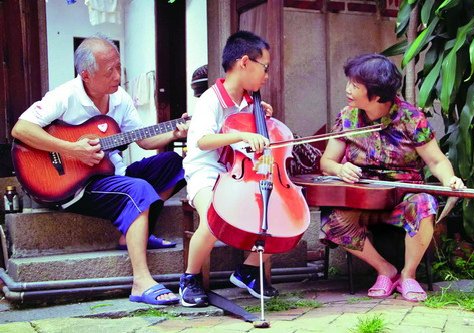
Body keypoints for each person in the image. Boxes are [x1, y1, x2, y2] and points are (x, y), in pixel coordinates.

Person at [11, 34, 187, 305]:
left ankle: (132, 232)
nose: (118, 76)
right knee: (138, 189)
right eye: (110, 71)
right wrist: (71, 149)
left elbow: (144, 140)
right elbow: (21, 130)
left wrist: (174, 131)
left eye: (119, 67)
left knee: (176, 164)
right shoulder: (65, 95)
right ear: (86, 74)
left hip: (111, 174)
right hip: (73, 186)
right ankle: (141, 281)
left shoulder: (120, 98)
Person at [319, 53, 465, 302]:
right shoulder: (348, 116)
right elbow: (327, 161)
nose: (348, 90)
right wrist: (340, 170)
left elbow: (436, 161)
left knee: (423, 204)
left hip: (403, 196)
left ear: (376, 94)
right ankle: (385, 269)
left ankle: (408, 276)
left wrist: (449, 179)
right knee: (333, 220)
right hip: (363, 199)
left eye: (355, 85)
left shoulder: (410, 118)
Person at [180, 30, 279, 307]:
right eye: (265, 67)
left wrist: (259, 123)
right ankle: (190, 278)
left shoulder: (250, 102)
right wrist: (242, 135)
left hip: (240, 171)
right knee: (214, 216)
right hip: (206, 170)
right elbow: (202, 140)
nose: (267, 75)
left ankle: (248, 270)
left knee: (277, 213)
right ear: (245, 62)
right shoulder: (211, 99)